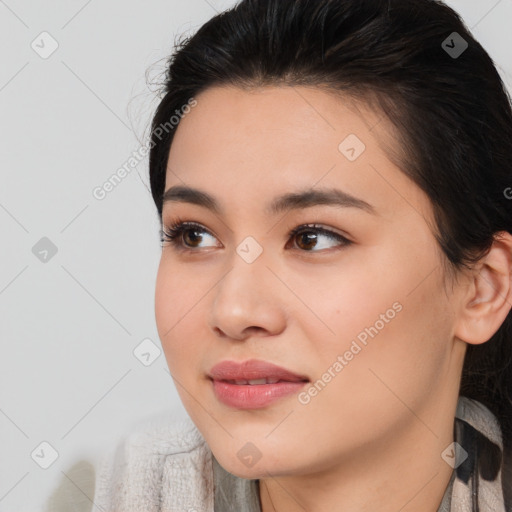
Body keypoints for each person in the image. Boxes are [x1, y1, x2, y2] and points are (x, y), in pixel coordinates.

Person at [94, 0, 512, 510]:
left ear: (482, 289)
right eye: (195, 235)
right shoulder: (118, 490)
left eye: (313, 237)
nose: (233, 312)